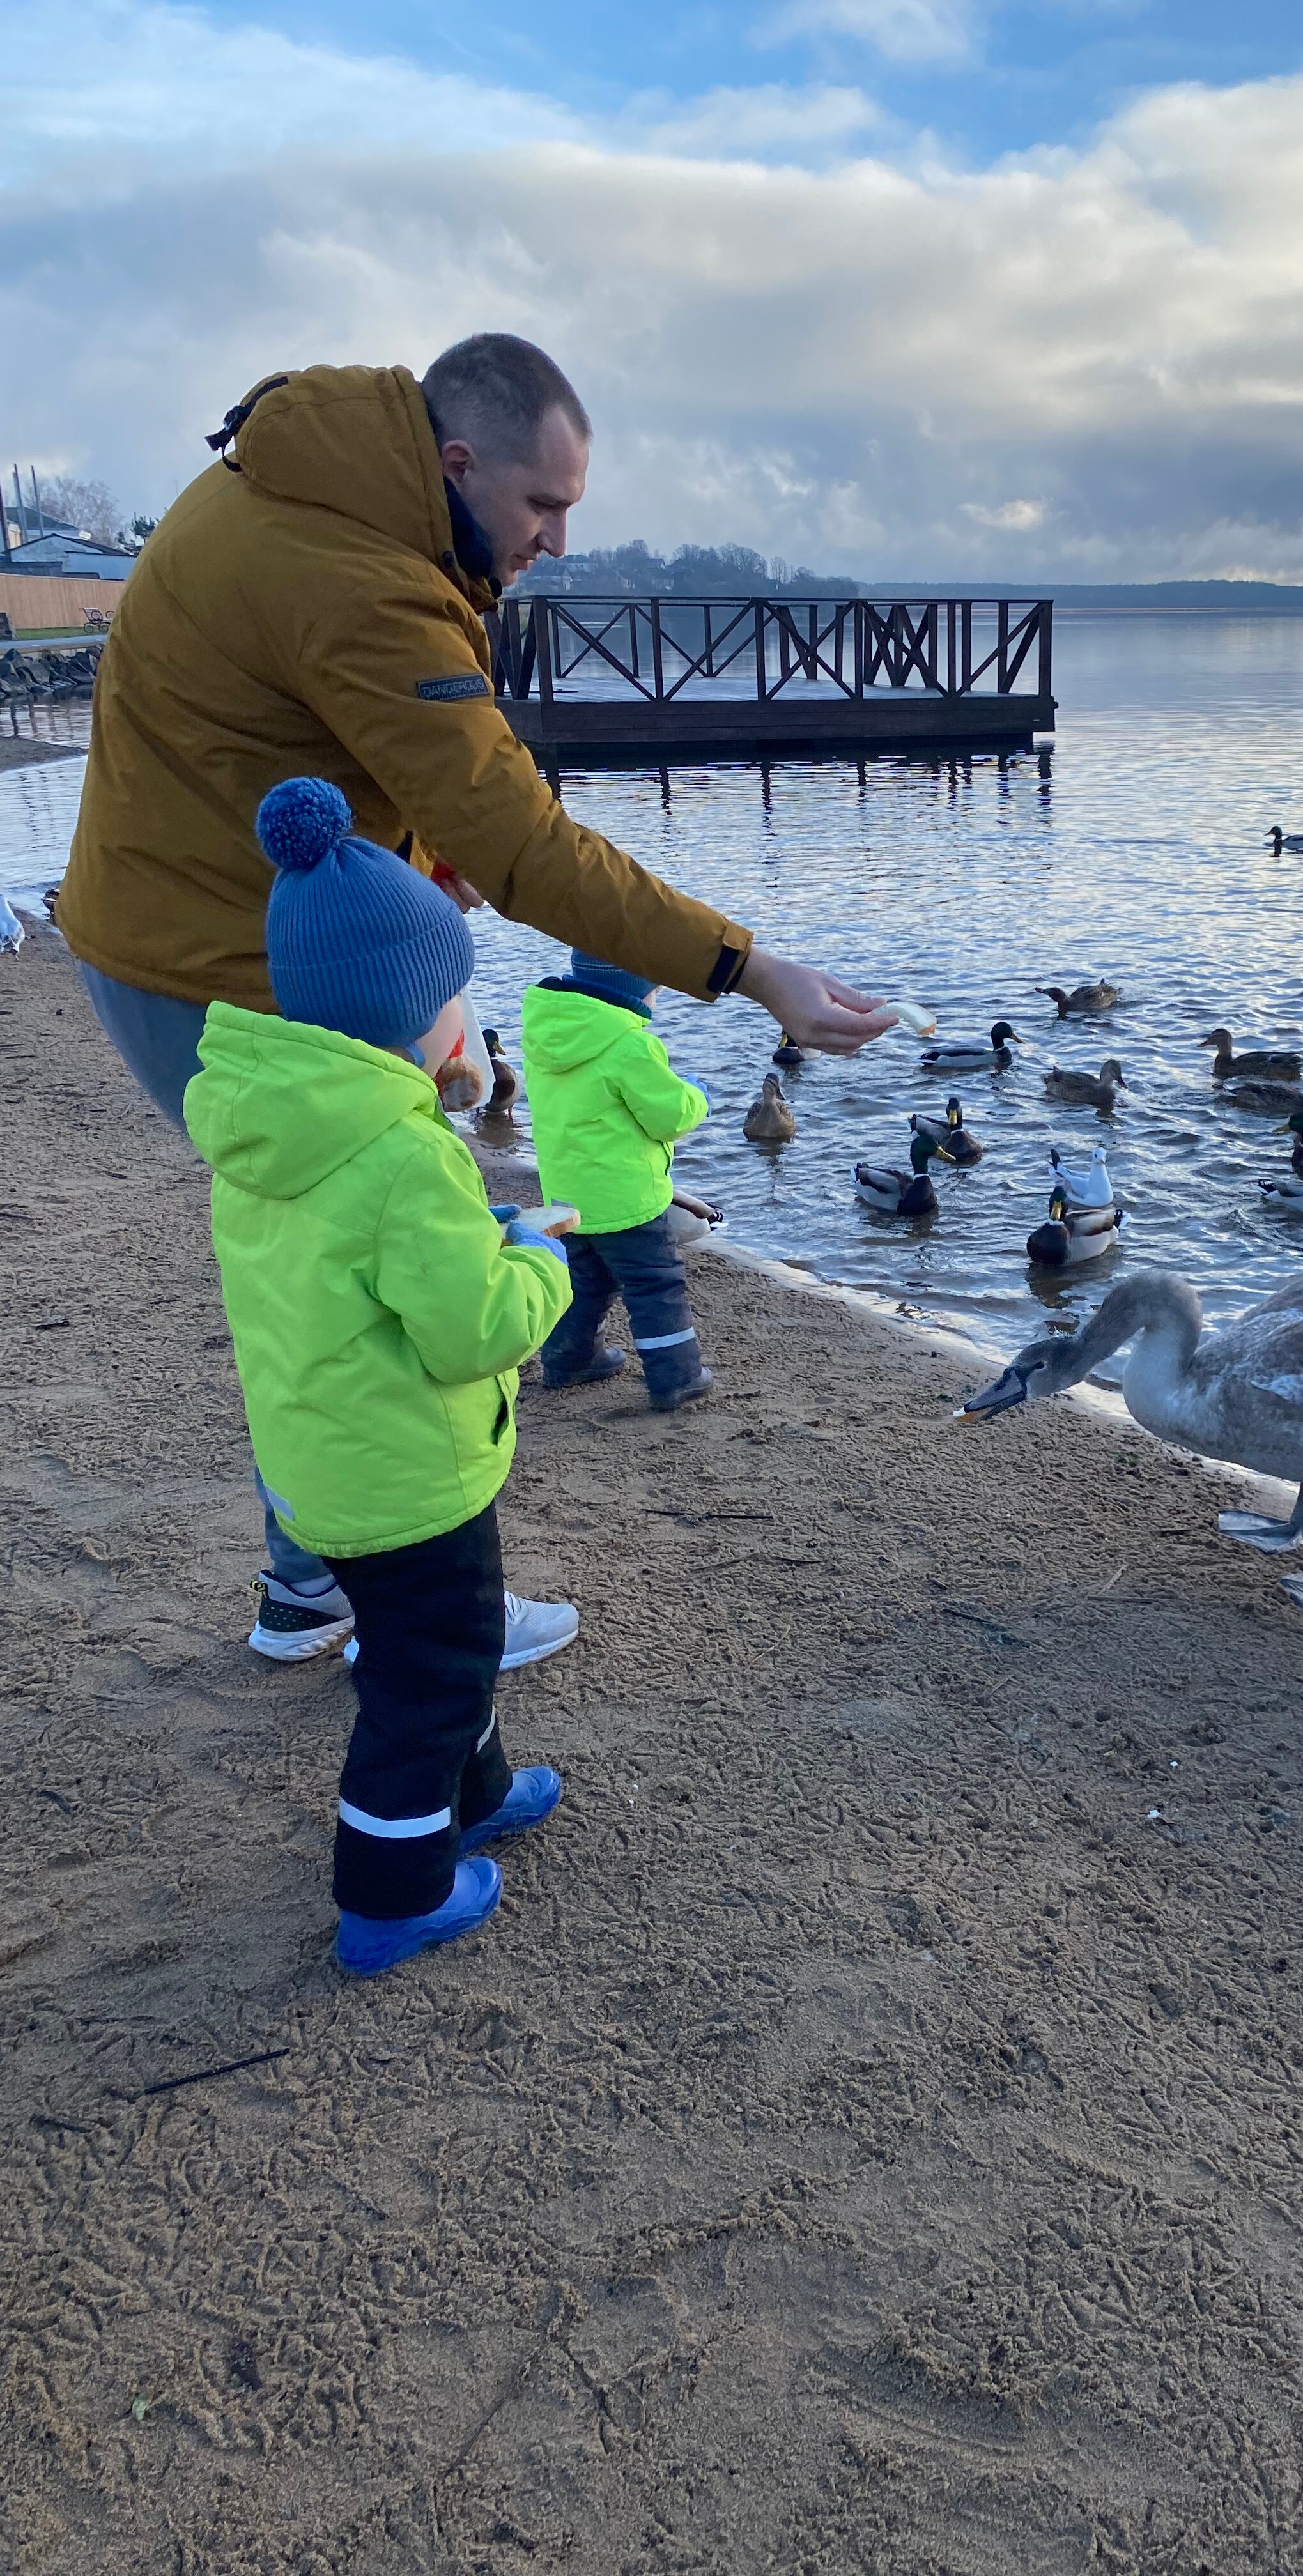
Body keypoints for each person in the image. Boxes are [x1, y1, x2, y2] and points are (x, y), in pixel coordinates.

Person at [56, 330, 892, 1657]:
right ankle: (423, 1614)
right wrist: (751, 969)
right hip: (212, 966)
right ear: (456, 462)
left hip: (169, 925)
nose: (558, 538)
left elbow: (356, 745)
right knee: (388, 1285)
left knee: (320, 1274)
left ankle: (307, 1586)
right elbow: (524, 844)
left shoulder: (320, 487)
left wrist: (419, 861)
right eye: (542, 506)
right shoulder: (359, 575)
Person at [185, 777, 576, 1975]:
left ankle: (479, 1790)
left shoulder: (269, 1133)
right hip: (410, 1470)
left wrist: (475, 1217)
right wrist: (539, 1262)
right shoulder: (404, 1155)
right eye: (454, 993)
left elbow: (350, 1281)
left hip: (326, 1456)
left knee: (440, 1647)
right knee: (426, 1677)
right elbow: (471, 1333)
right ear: (415, 1015)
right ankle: (392, 1893)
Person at [522, 949, 713, 1408]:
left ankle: (570, 1360)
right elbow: (669, 1117)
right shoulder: (630, 1045)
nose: (658, 994)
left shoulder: (545, 1035)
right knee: (654, 1285)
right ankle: (677, 1377)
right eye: (655, 986)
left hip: (569, 1194)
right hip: (626, 1198)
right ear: (632, 990)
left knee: (585, 1280)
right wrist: (696, 1096)